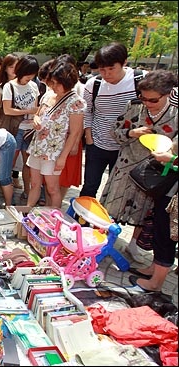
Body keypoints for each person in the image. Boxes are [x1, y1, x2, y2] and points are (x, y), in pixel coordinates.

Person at [99, 70, 178, 262]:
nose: (147, 104)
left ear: (167, 94)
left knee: (144, 210)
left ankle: (133, 244)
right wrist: (132, 133)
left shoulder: (175, 115)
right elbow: (115, 131)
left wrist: (169, 154)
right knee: (111, 206)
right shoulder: (133, 107)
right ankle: (101, 239)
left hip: (154, 171)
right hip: (126, 165)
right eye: (143, 98)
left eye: (153, 100)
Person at [79, 42, 148, 199]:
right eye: (102, 69)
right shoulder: (93, 84)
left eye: (111, 69)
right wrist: (89, 139)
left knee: (117, 191)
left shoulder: (140, 79)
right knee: (89, 186)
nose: (107, 74)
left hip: (129, 147)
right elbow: (87, 111)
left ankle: (107, 222)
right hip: (98, 145)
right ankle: (82, 220)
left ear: (124, 63)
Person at [26, 60, 85, 208]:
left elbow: (74, 132)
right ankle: (27, 212)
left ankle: (54, 218)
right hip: (38, 146)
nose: (54, 86)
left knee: (52, 188)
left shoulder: (76, 102)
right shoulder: (48, 96)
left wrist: (63, 157)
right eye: (53, 82)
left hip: (54, 151)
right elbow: (37, 114)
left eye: (58, 83)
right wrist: (36, 120)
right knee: (34, 184)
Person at [129, 135, 178, 293]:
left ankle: (156, 283)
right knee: (159, 229)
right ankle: (154, 269)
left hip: (175, 198)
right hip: (170, 190)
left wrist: (171, 159)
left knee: (166, 236)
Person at [2, 55, 40, 201]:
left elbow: (36, 108)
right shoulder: (10, 86)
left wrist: (35, 116)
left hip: (31, 129)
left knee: (28, 163)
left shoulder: (34, 86)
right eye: (27, 76)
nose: (29, 79)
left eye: (32, 76)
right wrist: (29, 111)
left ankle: (27, 190)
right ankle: (7, 191)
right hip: (16, 129)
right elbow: (7, 110)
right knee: (10, 162)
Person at [0, 54, 21, 189]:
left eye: (16, 67)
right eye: (11, 67)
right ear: (5, 68)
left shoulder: (27, 85)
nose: (14, 70)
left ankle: (12, 176)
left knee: (17, 153)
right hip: (6, 124)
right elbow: (1, 111)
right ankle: (3, 178)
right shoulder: (1, 87)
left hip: (21, 124)